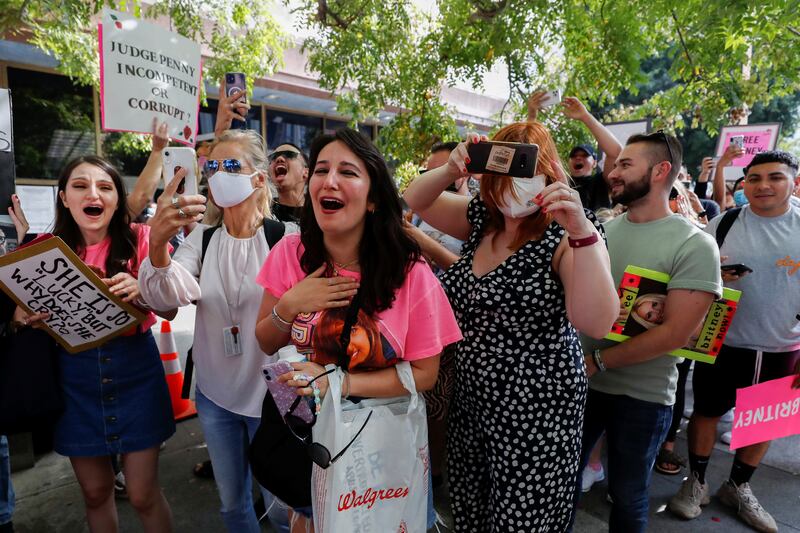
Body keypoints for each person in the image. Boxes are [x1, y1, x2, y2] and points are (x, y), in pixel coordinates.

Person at [405, 121, 618, 531]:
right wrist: (452, 168)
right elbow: (416, 198)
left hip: (536, 411)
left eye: (527, 167)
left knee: (523, 521)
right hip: (472, 401)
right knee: (472, 509)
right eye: (504, 168)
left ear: (550, 170)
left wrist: (580, 232)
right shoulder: (484, 218)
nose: (515, 183)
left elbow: (597, 320)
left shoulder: (568, 230)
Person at [255, 128, 462, 531]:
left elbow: (425, 374)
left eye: (347, 172)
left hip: (381, 461)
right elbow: (265, 341)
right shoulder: (289, 253)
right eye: (321, 169)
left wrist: (336, 382)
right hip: (304, 448)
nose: (329, 180)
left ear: (372, 199)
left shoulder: (411, 274)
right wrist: (290, 305)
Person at [12, 155, 177, 532]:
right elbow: (16, 312)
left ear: (117, 199)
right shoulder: (42, 250)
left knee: (142, 493)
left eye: (104, 187)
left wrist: (144, 287)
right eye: (80, 186)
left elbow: (169, 308)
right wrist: (18, 318)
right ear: (64, 198)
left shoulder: (143, 239)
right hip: (75, 379)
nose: (94, 194)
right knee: (96, 490)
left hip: (137, 370)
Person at [138, 129, 291, 533]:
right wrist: (157, 244)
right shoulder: (201, 241)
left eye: (231, 165)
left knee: (284, 506)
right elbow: (166, 301)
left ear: (259, 178)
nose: (220, 174)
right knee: (232, 505)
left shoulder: (287, 240)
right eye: (213, 166)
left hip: (278, 393)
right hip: (215, 393)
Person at [574, 131, 722, 533]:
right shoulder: (598, 231)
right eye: (615, 163)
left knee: (627, 494)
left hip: (642, 397)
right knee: (562, 485)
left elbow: (675, 334)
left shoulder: (694, 245)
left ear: (660, 171)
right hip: (580, 386)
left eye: (625, 164)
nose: (613, 173)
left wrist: (597, 362)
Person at [669, 150, 800, 533]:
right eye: (754, 178)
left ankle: (739, 485)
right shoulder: (723, 223)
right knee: (707, 412)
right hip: (720, 342)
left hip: (783, 347)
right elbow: (692, 272)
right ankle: (697, 480)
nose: (762, 186)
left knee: (762, 423)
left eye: (774, 177)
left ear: (793, 181)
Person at [527, 92, 623, 211]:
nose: (578, 158)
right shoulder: (557, 183)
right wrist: (532, 115)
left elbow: (616, 152)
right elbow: (529, 156)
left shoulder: (600, 182)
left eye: (584, 155)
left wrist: (585, 116)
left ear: (594, 163)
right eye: (574, 155)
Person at [267, 143, 308, 223]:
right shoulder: (261, 216)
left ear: (306, 172)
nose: (279, 158)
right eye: (273, 157)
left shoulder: (320, 213)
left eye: (289, 155)